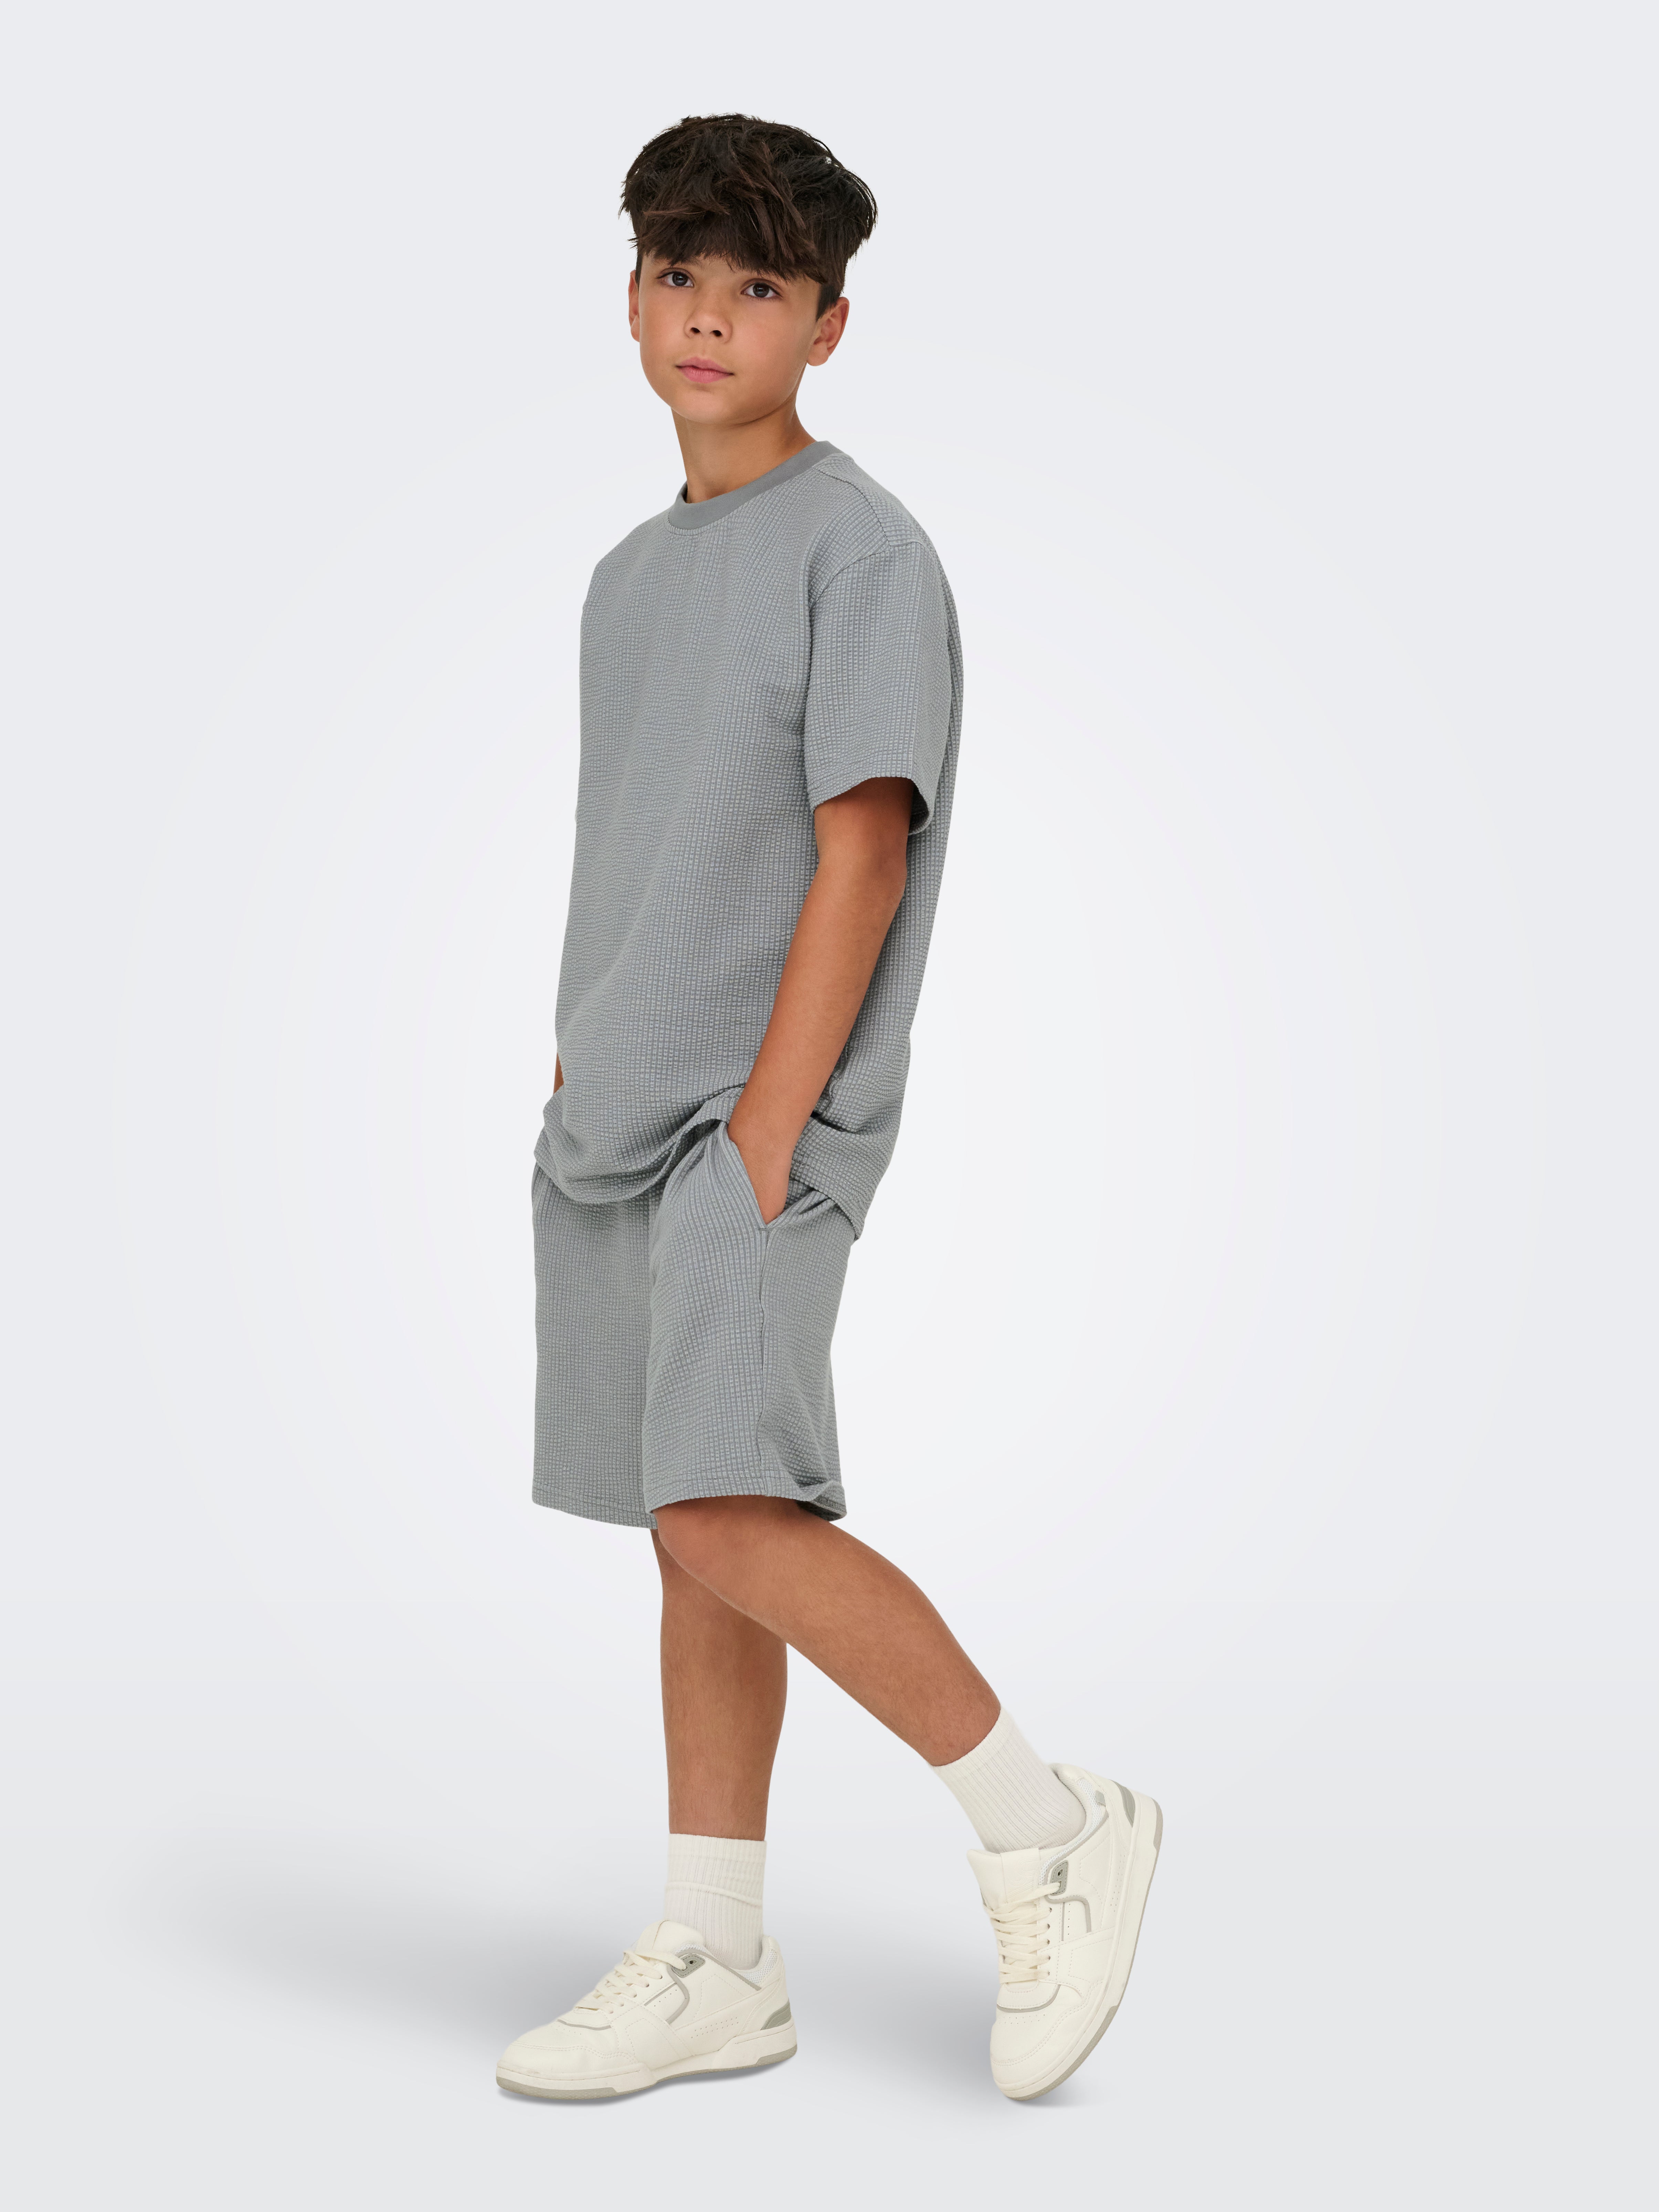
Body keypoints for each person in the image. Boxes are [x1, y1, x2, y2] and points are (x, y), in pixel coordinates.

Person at [496, 113, 1160, 2106]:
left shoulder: (857, 546)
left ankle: (1053, 1826)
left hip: (751, 1116)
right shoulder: (627, 577)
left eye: (759, 287)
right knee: (690, 1530)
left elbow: (861, 847)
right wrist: (577, 1051)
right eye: (678, 277)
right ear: (631, 298)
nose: (710, 317)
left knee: (730, 1503)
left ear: (828, 326)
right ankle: (717, 1949)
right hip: (616, 1112)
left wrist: (777, 1129)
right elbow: (641, 838)